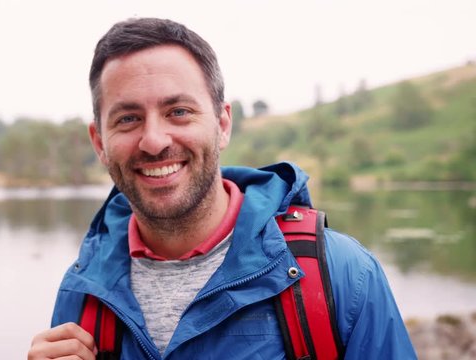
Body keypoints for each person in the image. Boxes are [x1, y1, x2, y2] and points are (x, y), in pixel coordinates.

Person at [28, 17, 416, 360]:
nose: (154, 140)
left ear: (222, 123)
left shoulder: (342, 274)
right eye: (128, 118)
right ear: (99, 142)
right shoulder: (83, 292)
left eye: (178, 111)